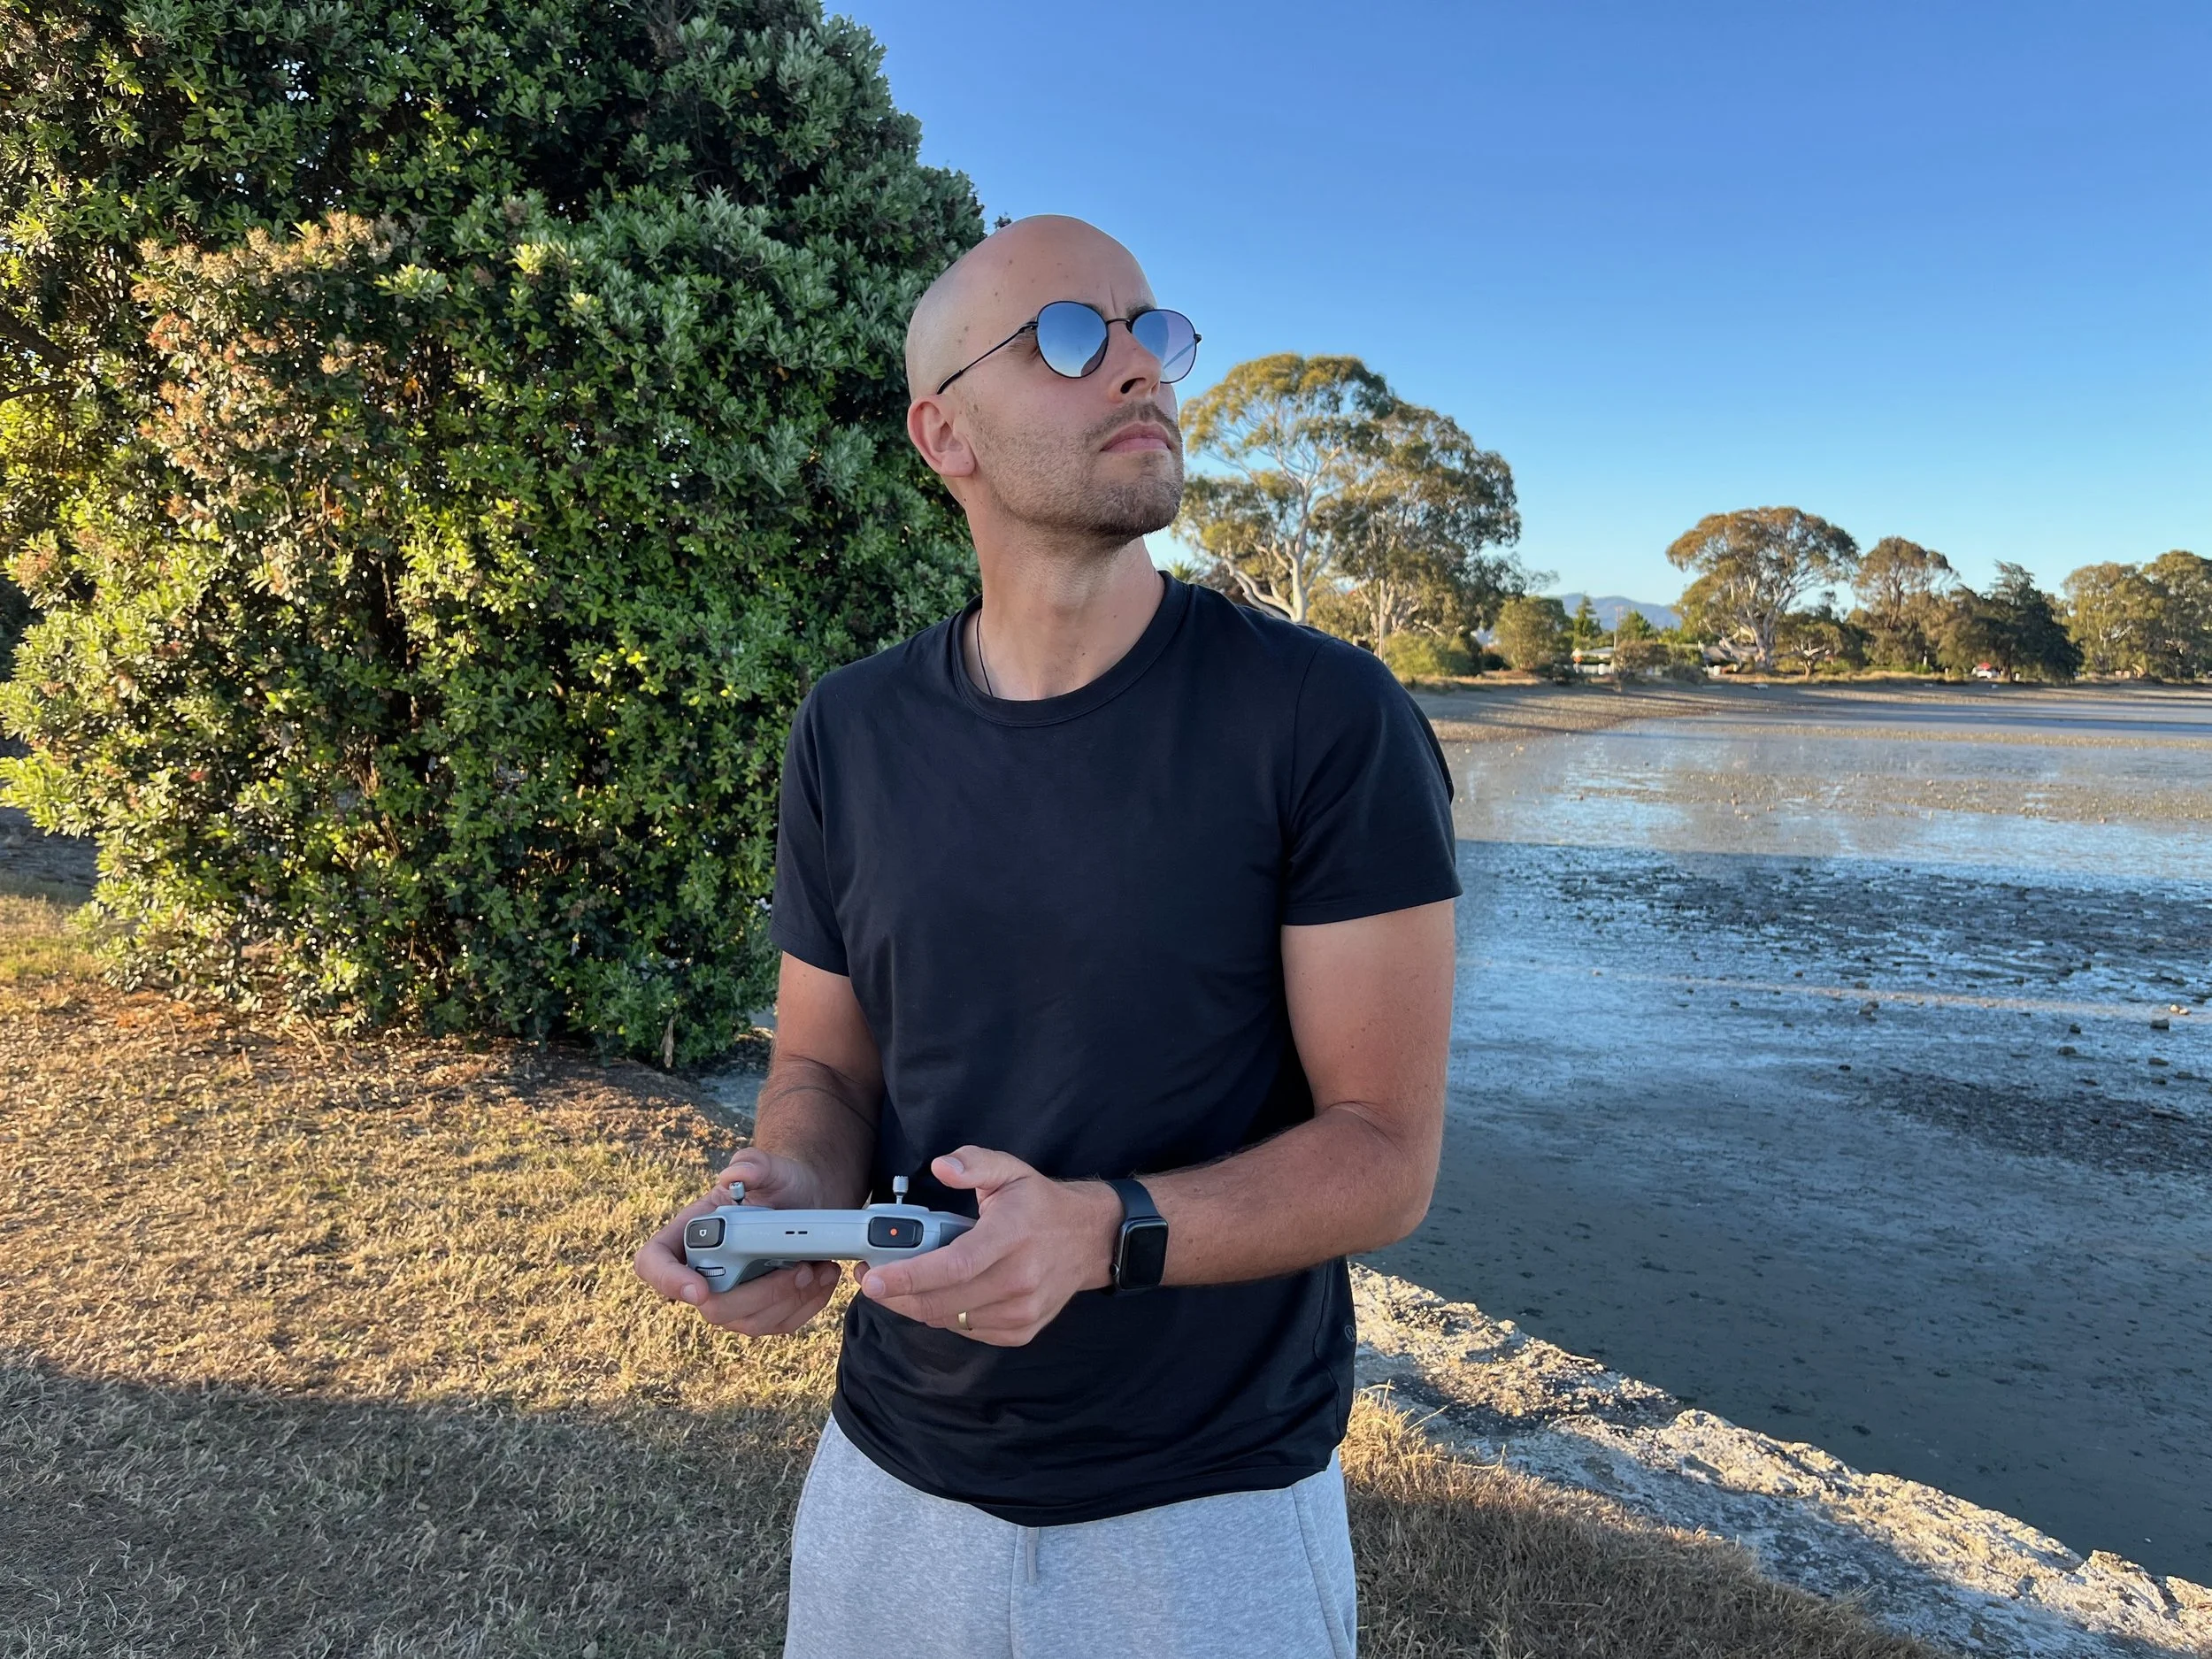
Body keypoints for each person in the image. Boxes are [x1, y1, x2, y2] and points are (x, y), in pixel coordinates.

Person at [634, 215, 1460, 1659]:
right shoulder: (852, 727)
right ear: (943, 433)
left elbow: (1385, 1151)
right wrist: (784, 1190)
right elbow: (825, 1067)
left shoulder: (1328, 717)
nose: (1142, 367)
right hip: (891, 1482)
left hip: (1210, 1520)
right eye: (1076, 337)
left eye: (1155, 330)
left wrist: (1105, 1233)